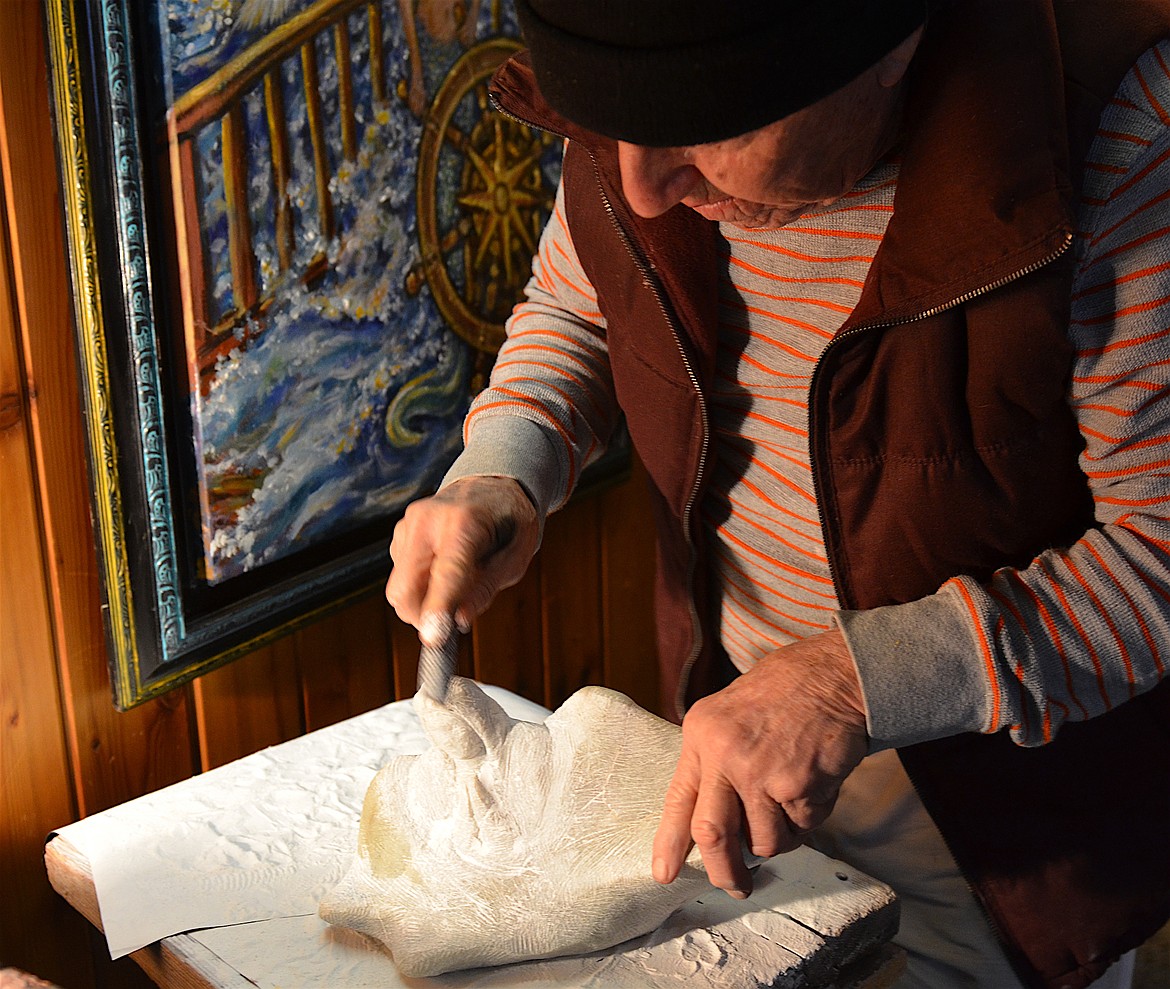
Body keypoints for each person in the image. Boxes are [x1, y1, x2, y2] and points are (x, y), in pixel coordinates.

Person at [385, 1, 1170, 987]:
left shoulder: (1113, 132)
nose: (641, 183)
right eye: (614, 131)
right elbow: (582, 297)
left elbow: (1159, 558)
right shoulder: (648, 107)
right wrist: (504, 468)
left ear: (889, 43)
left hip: (1007, 835)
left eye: (704, 132)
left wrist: (851, 680)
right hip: (733, 742)